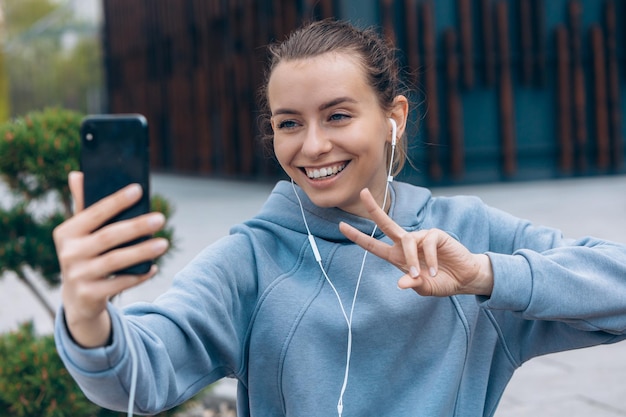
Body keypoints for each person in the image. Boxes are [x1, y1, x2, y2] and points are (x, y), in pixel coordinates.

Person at [53, 18, 626, 417]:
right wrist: (86, 316)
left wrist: (484, 276)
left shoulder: (466, 235)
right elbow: (137, 378)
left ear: (392, 116)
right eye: (289, 123)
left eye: (338, 115)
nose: (313, 145)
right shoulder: (248, 261)